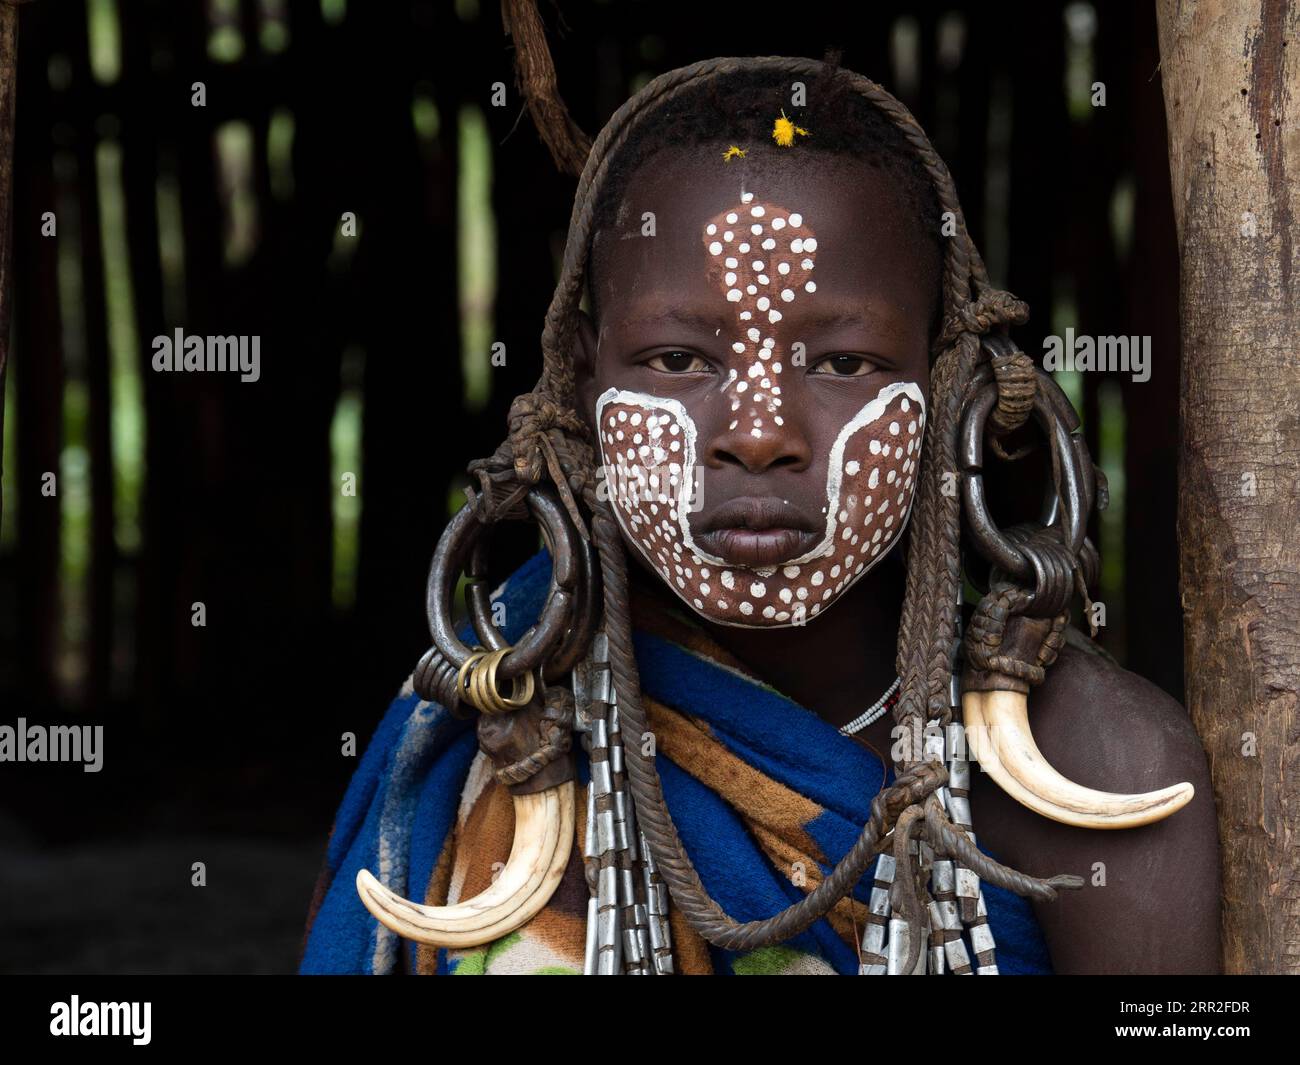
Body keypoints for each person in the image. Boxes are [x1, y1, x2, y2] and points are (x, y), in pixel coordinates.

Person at [297, 55, 1220, 976]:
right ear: (582, 380)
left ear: (945, 379)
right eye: (677, 359)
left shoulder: (1100, 761)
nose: (758, 433)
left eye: (844, 364)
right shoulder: (480, 726)